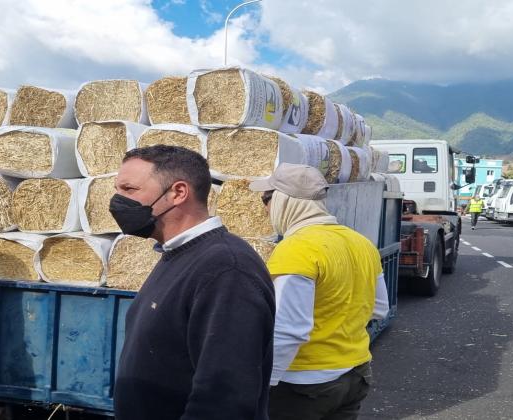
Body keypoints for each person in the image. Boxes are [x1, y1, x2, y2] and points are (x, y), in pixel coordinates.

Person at [112, 145, 275, 420]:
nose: (117, 201)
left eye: (129, 190)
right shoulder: (178, 255)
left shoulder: (226, 270)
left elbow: (224, 399)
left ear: (178, 193)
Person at [249, 163, 389, 420]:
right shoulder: (362, 243)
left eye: (266, 199)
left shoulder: (296, 249)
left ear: (284, 201)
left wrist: (263, 383)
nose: (266, 209)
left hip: (304, 385)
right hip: (355, 374)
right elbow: (380, 309)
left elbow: (289, 329)